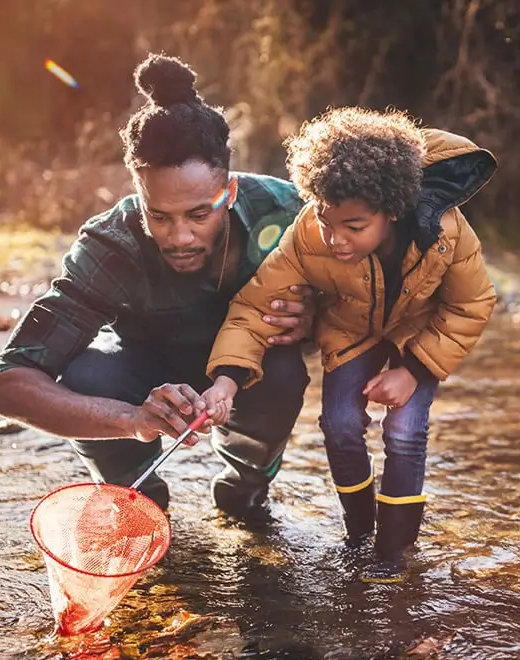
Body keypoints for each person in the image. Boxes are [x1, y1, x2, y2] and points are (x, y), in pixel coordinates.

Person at [0, 53, 315, 520]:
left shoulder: (288, 213)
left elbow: (375, 296)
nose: (180, 237)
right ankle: (139, 500)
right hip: (140, 372)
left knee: (284, 370)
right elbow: (8, 386)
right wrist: (131, 421)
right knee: (87, 375)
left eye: (200, 214)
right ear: (138, 192)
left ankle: (246, 486)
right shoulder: (110, 243)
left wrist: (315, 317)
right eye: (158, 216)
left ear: (231, 192)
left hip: (252, 373)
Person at [200, 107, 498, 583]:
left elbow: (472, 304)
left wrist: (415, 371)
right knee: (338, 424)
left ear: (392, 210)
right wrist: (226, 380)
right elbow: (255, 306)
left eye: (354, 227)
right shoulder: (307, 236)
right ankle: (359, 537)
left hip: (416, 337)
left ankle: (393, 553)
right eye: (326, 221)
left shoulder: (446, 232)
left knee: (404, 431)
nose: (336, 239)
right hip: (349, 332)